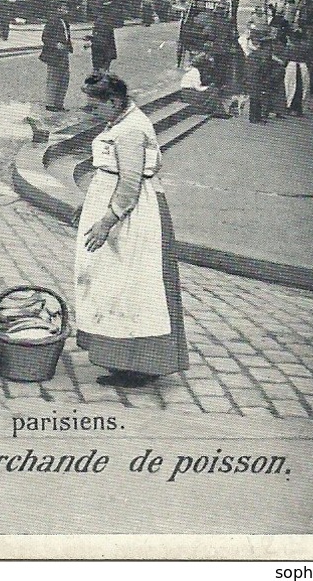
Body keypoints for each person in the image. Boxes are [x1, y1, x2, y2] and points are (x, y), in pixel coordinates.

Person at [75, 73, 189, 388]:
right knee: (118, 284)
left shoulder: (130, 131)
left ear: (113, 101)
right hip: (124, 210)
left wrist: (105, 222)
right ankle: (124, 359)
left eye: (95, 105)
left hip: (135, 218)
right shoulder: (122, 122)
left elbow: (129, 184)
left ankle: (141, 363)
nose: (90, 111)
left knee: (136, 286)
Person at [40, 1, 73, 111]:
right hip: (54, 54)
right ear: (58, 9)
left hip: (64, 52)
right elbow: (45, 37)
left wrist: (68, 46)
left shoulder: (65, 21)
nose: (66, 9)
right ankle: (50, 104)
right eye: (64, 8)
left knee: (64, 78)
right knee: (54, 77)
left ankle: (59, 103)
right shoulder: (52, 21)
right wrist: (55, 44)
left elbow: (67, 36)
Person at [179, 53, 232, 118]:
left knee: (213, 90)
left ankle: (218, 111)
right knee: (214, 91)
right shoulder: (195, 72)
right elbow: (197, 88)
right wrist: (208, 88)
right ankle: (215, 111)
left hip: (187, 92)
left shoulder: (193, 71)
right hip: (190, 93)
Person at [244, 27, 272, 123]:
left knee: (256, 97)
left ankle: (256, 117)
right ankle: (254, 118)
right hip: (255, 77)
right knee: (256, 97)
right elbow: (262, 68)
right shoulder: (261, 55)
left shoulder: (255, 54)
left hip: (253, 77)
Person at [84, 2, 117, 73]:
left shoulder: (102, 23)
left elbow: (102, 39)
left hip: (101, 52)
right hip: (105, 52)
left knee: (100, 72)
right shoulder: (105, 22)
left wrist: (91, 40)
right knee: (103, 71)